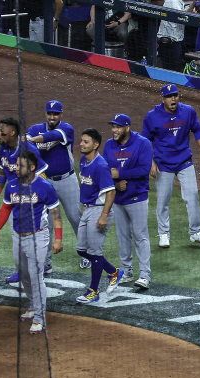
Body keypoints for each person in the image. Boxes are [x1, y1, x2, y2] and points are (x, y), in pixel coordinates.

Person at [0, 150, 63, 335]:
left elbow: (55, 213)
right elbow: (7, 207)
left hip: (38, 236)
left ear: (32, 167)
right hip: (17, 235)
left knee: (36, 275)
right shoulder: (12, 185)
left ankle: (40, 317)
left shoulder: (44, 186)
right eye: (16, 165)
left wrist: (58, 238)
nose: (16, 168)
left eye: (20, 165)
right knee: (23, 273)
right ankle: (32, 304)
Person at [143, 84, 200, 250]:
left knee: (193, 195)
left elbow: (197, 129)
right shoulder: (152, 116)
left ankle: (196, 231)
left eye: (175, 95)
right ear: (162, 99)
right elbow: (145, 141)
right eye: (169, 96)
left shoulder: (188, 111)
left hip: (184, 161)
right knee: (163, 200)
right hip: (163, 164)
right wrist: (151, 162)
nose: (173, 98)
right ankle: (164, 233)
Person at [26, 100, 88, 272]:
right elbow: (24, 145)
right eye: (49, 114)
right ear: (45, 114)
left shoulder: (67, 128)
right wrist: (27, 139)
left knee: (75, 217)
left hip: (66, 180)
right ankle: (46, 262)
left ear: (61, 114)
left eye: (55, 114)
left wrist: (32, 140)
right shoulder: (34, 129)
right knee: (45, 222)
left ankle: (86, 253)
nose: (52, 117)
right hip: (45, 182)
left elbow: (51, 137)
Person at [0, 117, 49, 285]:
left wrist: (35, 200)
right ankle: (22, 271)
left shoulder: (28, 150)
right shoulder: (3, 150)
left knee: (37, 238)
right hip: (14, 200)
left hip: (32, 202)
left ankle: (40, 270)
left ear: (12, 133)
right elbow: (2, 172)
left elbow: (42, 175)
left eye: (2, 132)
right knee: (17, 237)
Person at [103, 113, 155, 290]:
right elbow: (106, 171)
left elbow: (144, 169)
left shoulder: (143, 143)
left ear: (127, 128)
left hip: (137, 197)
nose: (114, 130)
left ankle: (145, 275)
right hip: (117, 198)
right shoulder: (109, 145)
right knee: (123, 236)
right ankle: (126, 270)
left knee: (140, 236)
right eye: (113, 127)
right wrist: (116, 183)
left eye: (117, 127)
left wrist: (122, 175)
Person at [73, 128, 122, 304]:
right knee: (81, 249)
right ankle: (113, 272)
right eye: (81, 140)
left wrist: (104, 215)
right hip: (88, 209)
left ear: (95, 145)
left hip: (100, 209)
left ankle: (93, 291)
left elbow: (111, 192)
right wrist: (84, 206)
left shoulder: (101, 166)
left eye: (85, 142)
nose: (81, 144)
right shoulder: (83, 161)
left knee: (94, 252)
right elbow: (86, 187)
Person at [157, 0, 188, 72]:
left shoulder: (179, 2)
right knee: (171, 69)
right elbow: (181, 17)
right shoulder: (173, 1)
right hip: (168, 42)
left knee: (173, 69)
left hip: (173, 41)